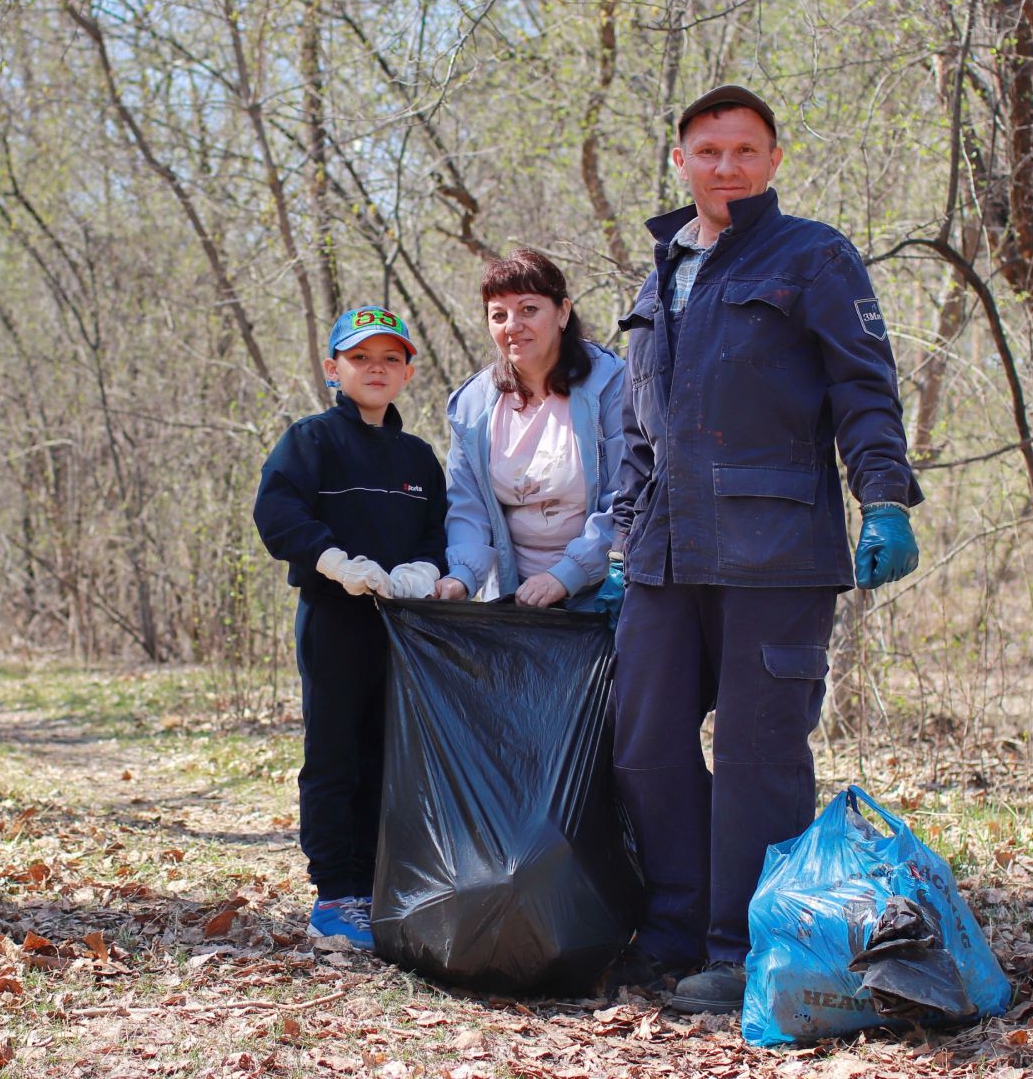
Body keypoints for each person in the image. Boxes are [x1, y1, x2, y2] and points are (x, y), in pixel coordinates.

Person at [607, 84, 922, 1013]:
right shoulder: (659, 273)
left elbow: (865, 386)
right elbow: (636, 426)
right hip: (666, 553)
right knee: (644, 742)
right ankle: (673, 927)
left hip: (776, 548)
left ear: (775, 160)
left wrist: (886, 499)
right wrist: (626, 536)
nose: (726, 167)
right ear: (680, 161)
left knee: (758, 754)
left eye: (746, 151)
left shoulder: (812, 255)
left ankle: (749, 947)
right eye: (708, 151)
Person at [253, 306, 448, 950]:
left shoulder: (418, 457)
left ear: (407, 373)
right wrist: (332, 560)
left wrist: (427, 568)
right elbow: (277, 511)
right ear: (333, 368)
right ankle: (336, 890)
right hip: (335, 620)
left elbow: (438, 532)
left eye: (390, 359)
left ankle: (376, 883)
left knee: (386, 752)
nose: (376, 369)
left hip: (402, 629)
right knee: (335, 752)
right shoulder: (311, 441)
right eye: (361, 358)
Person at [434, 249, 627, 612]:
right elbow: (468, 506)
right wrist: (462, 576)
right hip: (512, 599)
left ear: (563, 313)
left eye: (528, 309)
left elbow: (623, 497)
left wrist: (565, 575)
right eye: (498, 315)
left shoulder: (611, 385)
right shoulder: (473, 405)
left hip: (603, 594)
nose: (512, 326)